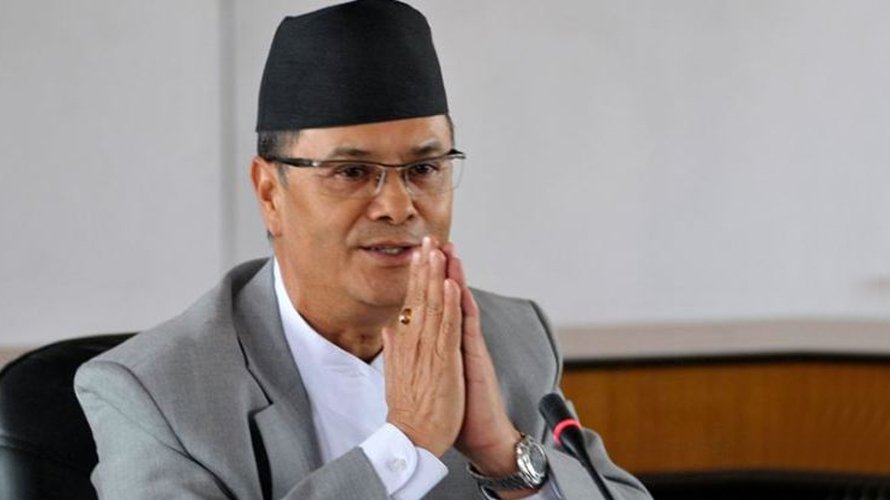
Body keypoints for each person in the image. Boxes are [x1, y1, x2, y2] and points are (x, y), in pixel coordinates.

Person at [74, 1, 652, 499]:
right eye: (352, 171)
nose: (398, 206)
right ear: (271, 193)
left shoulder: (511, 336)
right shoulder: (155, 390)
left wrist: (506, 457)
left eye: (424, 168)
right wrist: (406, 446)